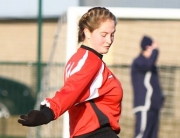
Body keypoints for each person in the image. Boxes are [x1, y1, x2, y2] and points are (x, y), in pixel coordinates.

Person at [18, 7, 123, 138]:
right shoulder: (91, 62)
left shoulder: (78, 59)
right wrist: (48, 113)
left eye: (112, 34)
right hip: (97, 133)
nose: (109, 40)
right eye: (104, 34)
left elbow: (72, 92)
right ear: (87, 32)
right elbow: (71, 90)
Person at [130, 35, 164, 138]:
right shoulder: (139, 62)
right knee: (142, 135)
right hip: (144, 106)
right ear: (148, 48)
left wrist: (161, 98)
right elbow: (148, 64)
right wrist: (156, 51)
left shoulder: (152, 66)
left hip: (154, 107)